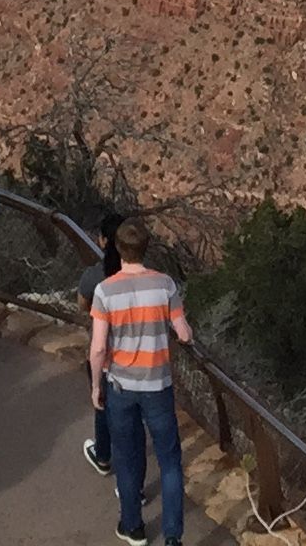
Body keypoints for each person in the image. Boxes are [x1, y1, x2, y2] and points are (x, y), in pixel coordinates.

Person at [91, 219, 195, 546]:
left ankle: (132, 525)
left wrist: (96, 386)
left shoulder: (104, 291)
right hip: (158, 384)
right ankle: (173, 536)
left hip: (121, 384)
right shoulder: (164, 285)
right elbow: (184, 332)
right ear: (145, 248)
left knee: (127, 454)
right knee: (169, 460)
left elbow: (97, 348)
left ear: (118, 249)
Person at [79, 209, 128, 476]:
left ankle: (104, 454)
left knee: (102, 403)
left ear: (102, 241)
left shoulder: (94, 276)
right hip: (132, 354)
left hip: (104, 353)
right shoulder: (141, 278)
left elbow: (81, 304)